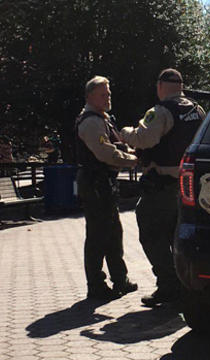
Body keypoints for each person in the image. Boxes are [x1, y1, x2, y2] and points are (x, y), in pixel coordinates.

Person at [121, 68, 206, 307]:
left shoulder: (159, 112)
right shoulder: (197, 110)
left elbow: (144, 139)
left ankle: (169, 285)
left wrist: (126, 133)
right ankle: (186, 284)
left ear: (160, 87)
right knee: (178, 236)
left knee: (151, 232)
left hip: (162, 186)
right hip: (189, 187)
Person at [76, 76, 139, 300]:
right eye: (103, 94)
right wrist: (133, 159)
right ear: (90, 96)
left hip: (104, 183)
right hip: (95, 183)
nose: (108, 97)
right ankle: (96, 285)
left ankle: (119, 280)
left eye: (109, 93)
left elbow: (114, 146)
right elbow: (105, 153)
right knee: (97, 235)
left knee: (113, 233)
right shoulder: (91, 121)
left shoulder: (103, 119)